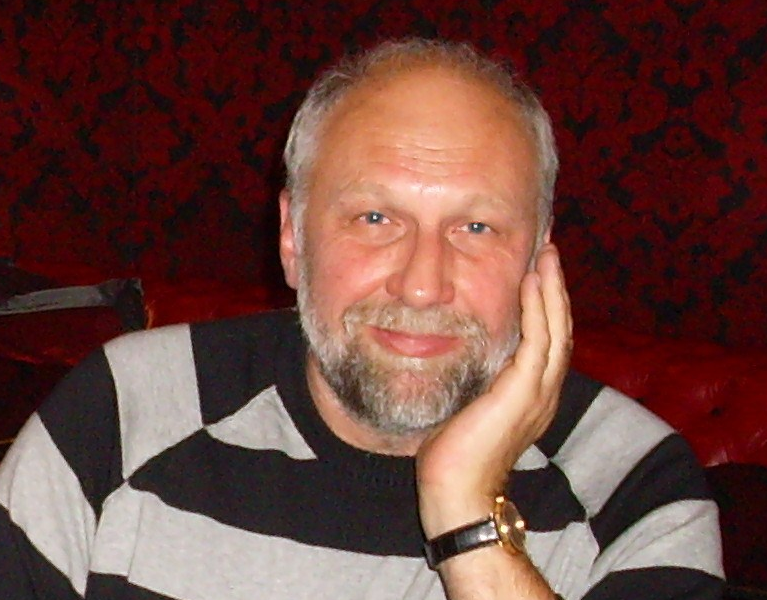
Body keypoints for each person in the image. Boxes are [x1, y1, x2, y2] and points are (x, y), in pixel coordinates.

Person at [0, 38, 723, 600]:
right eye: (375, 218)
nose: (422, 285)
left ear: (538, 253)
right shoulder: (121, 417)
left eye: (475, 227)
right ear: (292, 237)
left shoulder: (635, 489)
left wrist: (467, 515)